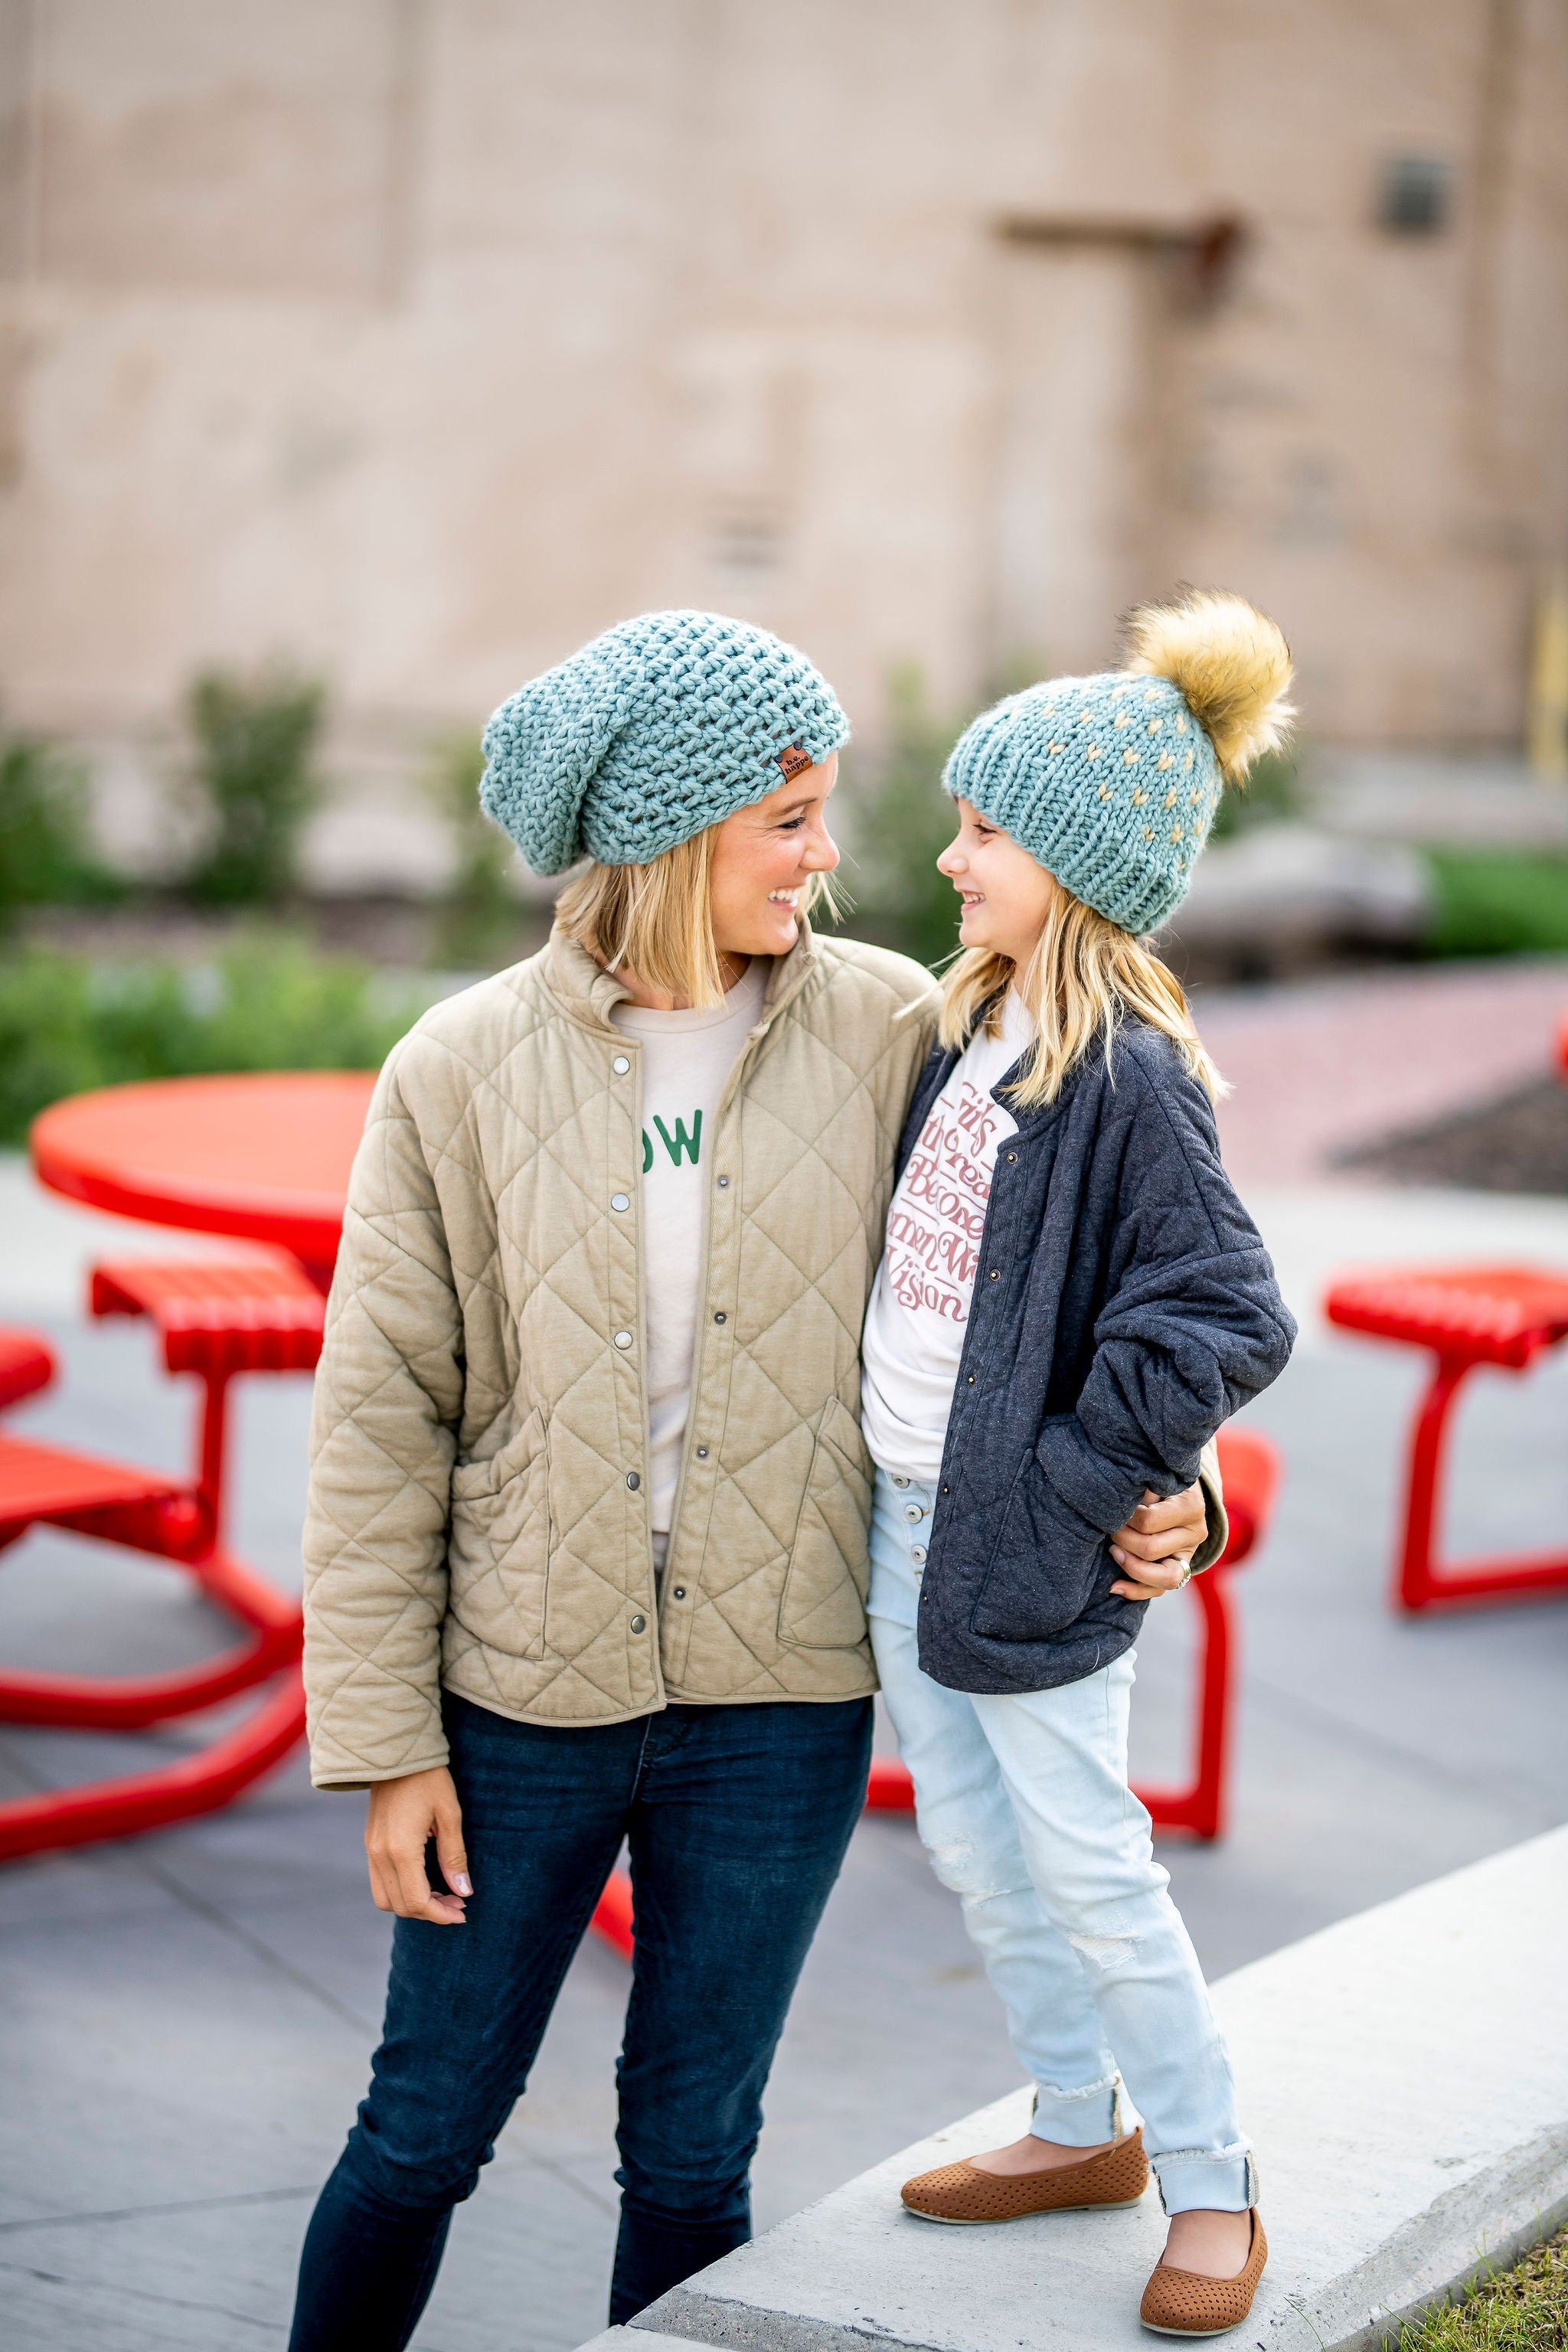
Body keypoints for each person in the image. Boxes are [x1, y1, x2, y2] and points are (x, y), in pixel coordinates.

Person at [288, 610, 1216, 2350]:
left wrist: (1183, 1478)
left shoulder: (900, 1030)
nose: (828, 855)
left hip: (778, 1708)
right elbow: (380, 1418)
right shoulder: (458, 1069)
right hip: (515, 1701)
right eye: (788, 816)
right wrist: (387, 1741)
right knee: (418, 2139)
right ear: (669, 825)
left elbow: (1073, 1271)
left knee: (696, 2161)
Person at [863, 590, 1298, 2337]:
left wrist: (1095, 1476)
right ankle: (1071, 2124)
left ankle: (1212, 2179)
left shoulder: (1125, 1073)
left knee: (1090, 1864)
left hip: (1022, 1540)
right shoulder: (967, 1033)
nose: (952, 857)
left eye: (986, 831)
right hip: (906, 1527)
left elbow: (1220, 1306)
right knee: (977, 1852)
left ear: (1075, 855)